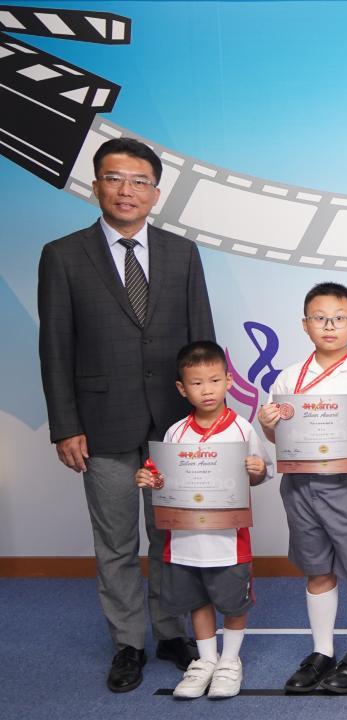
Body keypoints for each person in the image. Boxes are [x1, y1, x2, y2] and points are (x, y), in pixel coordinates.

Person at [37, 137, 213, 692]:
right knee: (115, 542)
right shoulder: (63, 255)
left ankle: (170, 632)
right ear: (96, 187)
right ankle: (128, 644)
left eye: (139, 181)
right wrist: (66, 425)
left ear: (156, 193)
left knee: (169, 536)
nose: (126, 190)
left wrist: (207, 420)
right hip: (101, 424)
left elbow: (202, 342)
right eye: (114, 178)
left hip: (174, 425)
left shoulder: (183, 254)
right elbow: (55, 348)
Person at [258, 282, 347, 694]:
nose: (329, 326)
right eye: (320, 318)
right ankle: (322, 651)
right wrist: (267, 425)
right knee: (316, 569)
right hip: (301, 485)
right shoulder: (287, 378)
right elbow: (277, 439)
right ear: (305, 325)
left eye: (339, 318)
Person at [135, 342, 270, 699]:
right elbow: (165, 480)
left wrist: (257, 469)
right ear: (182, 388)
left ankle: (230, 660)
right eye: (196, 383)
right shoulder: (175, 433)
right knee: (197, 599)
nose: (206, 390)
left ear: (228, 381)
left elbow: (260, 474)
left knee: (234, 602)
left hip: (228, 540)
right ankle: (207, 660)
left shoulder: (242, 429)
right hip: (186, 540)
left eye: (214, 380)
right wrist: (151, 479)